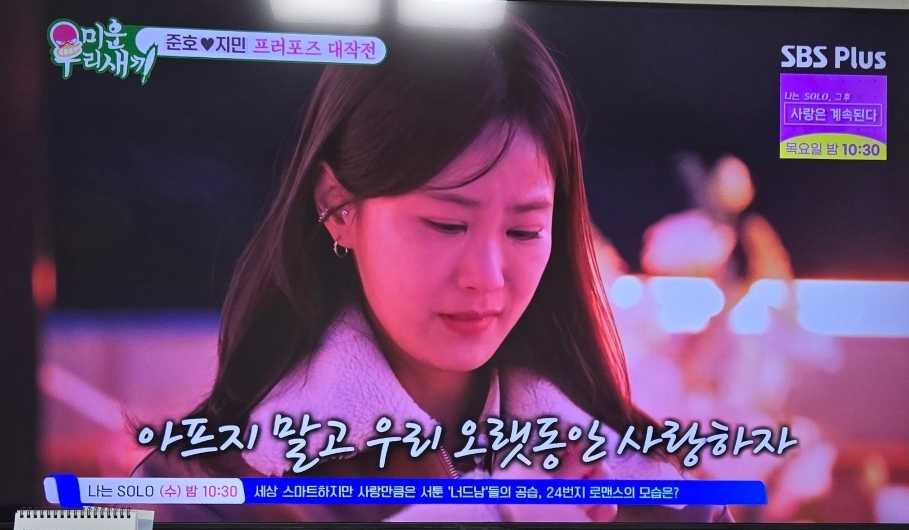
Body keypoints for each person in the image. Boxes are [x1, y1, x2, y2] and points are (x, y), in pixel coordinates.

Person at [131, 16, 731, 523]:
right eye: (446, 224)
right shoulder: (207, 492)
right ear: (339, 208)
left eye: (524, 231)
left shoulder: (654, 490)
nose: (486, 277)